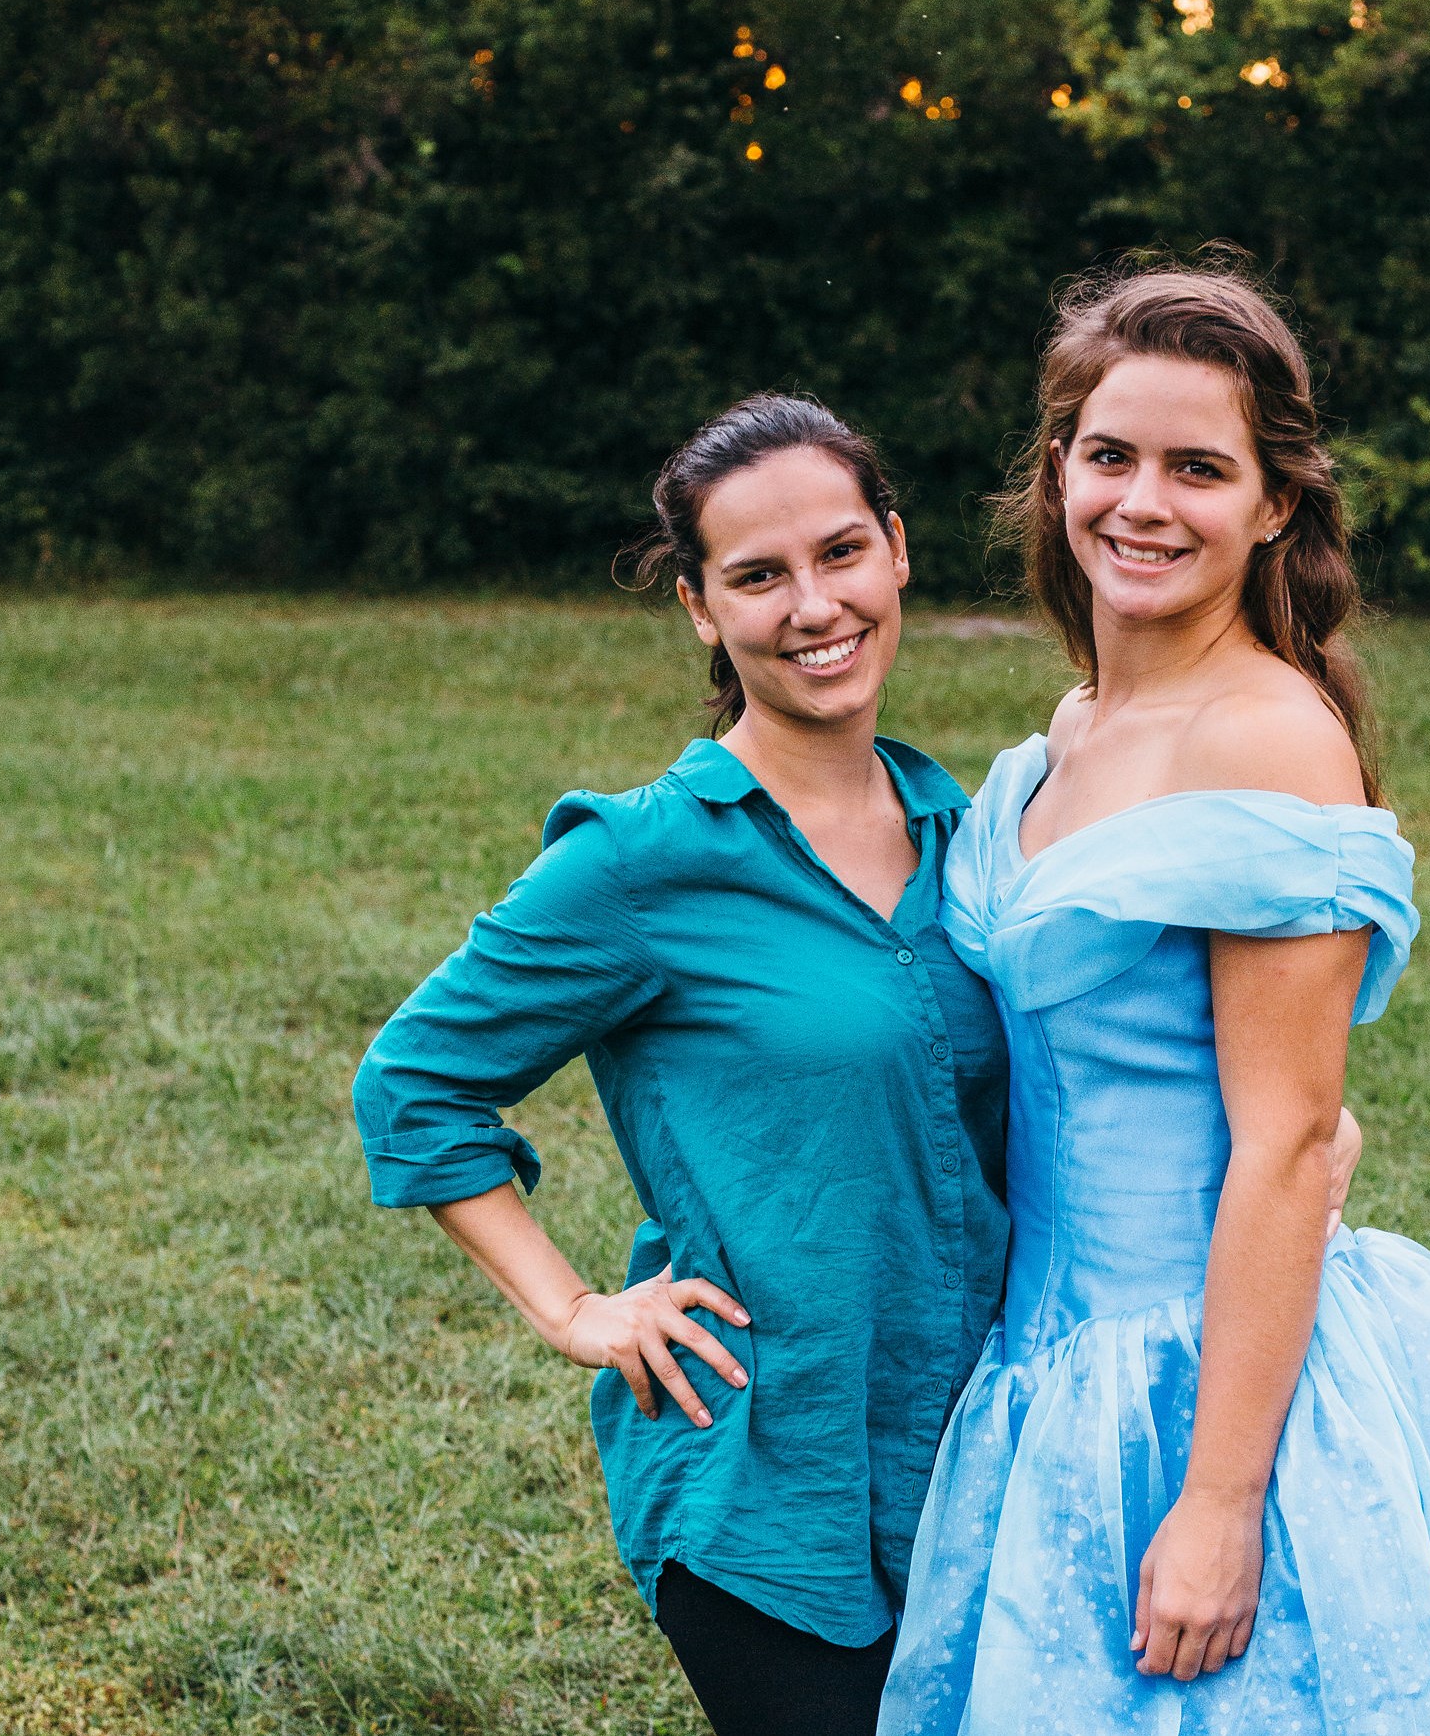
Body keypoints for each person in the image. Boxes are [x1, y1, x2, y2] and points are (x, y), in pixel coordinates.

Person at [879, 265, 1430, 1733]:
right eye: (1110, 457)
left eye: (1198, 468)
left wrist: (1222, 1502)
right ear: (1058, 472)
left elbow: (1288, 1141)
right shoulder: (1067, 736)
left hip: (1208, 1378)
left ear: (1273, 503)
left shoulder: (1274, 740)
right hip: (1047, 1364)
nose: (1142, 502)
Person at [351, 396, 1017, 1736]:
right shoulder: (643, 861)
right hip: (767, 1477)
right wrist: (575, 1309)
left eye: (840, 553)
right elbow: (412, 1079)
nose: (811, 603)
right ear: (702, 610)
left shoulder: (981, 833)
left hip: (987, 1461)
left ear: (897, 551)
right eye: (758, 576)